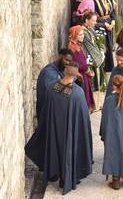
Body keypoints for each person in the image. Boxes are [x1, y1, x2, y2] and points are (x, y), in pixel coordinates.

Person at [25, 61, 93, 195]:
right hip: (69, 131)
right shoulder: (77, 94)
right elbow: (83, 119)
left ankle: (53, 173)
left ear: (65, 72)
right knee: (68, 152)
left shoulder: (51, 87)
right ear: (75, 75)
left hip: (54, 129)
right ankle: (65, 178)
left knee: (55, 150)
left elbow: (46, 109)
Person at [35, 48, 73, 120]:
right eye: (66, 60)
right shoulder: (48, 72)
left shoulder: (60, 71)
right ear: (60, 56)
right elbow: (55, 93)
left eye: (70, 61)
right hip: (46, 114)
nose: (68, 63)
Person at [68, 25, 95, 111]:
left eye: (83, 34)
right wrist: (89, 72)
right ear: (75, 35)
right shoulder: (74, 47)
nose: (82, 36)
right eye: (80, 35)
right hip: (81, 76)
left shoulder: (76, 45)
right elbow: (82, 65)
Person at [93, 0, 116, 72]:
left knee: (110, 45)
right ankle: (105, 66)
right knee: (105, 46)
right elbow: (94, 16)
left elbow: (113, 11)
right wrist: (104, 24)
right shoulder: (93, 0)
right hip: (101, 25)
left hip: (109, 24)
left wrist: (113, 22)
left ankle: (110, 66)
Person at [82, 12, 106, 93]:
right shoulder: (83, 32)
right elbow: (90, 48)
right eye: (93, 21)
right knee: (93, 88)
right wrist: (100, 57)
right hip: (90, 61)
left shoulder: (90, 29)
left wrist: (101, 48)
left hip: (95, 57)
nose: (95, 23)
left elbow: (97, 43)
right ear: (86, 20)